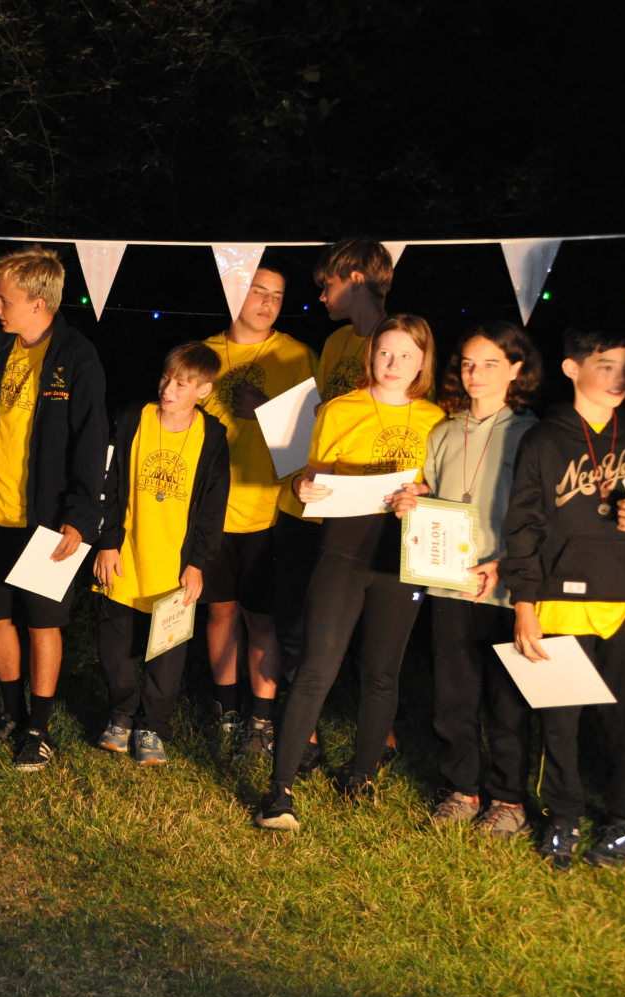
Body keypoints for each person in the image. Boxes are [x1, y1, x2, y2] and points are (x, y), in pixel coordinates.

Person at [256, 314, 446, 831]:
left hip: (400, 559)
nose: (393, 363)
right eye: (385, 352)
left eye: (406, 355)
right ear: (370, 355)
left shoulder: (437, 419)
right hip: (341, 554)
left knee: (382, 673)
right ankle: (280, 792)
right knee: (316, 667)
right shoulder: (340, 409)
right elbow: (312, 474)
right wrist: (303, 486)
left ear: (423, 362)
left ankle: (361, 777)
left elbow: (444, 487)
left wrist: (424, 493)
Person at [0, 245, 108, 771]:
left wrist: (80, 516)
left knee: (43, 623)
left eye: (5, 299)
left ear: (38, 304)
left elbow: (91, 440)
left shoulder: (76, 356)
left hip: (46, 517)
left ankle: (39, 730)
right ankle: (11, 713)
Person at [389, 323, 540, 832]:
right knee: (453, 696)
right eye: (469, 363)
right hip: (447, 581)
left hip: (505, 586)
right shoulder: (444, 431)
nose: (476, 374)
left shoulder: (532, 434)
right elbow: (429, 491)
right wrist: (412, 499)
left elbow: (541, 516)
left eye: (491, 364)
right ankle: (462, 790)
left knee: (506, 699)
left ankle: (509, 801)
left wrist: (506, 565)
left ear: (516, 369)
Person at [504, 325, 625, 871]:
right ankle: (562, 817)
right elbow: (523, 527)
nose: (619, 377)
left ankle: (624, 818)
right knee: (559, 723)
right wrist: (524, 602)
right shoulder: (542, 439)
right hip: (559, 600)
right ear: (572, 368)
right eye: (606, 365)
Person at [196, 260, 317, 756]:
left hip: (269, 509)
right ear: (235, 294)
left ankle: (262, 720)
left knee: (261, 618)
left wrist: (266, 410)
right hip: (210, 511)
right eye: (258, 291)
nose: (268, 303)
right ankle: (225, 710)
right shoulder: (203, 353)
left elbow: (315, 436)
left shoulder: (296, 356)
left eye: (277, 296)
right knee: (219, 611)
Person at [93, 344, 229, 765]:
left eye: (182, 384)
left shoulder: (212, 436)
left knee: (166, 658)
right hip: (126, 557)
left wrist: (198, 563)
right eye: (166, 379)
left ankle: (152, 726)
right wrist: (108, 542)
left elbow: (213, 506)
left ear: (203, 391)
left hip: (175, 566)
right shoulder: (132, 418)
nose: (168, 390)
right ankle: (121, 716)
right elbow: (110, 483)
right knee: (116, 650)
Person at [271, 239, 397, 689]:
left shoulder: (397, 345)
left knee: (358, 623)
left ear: (357, 279)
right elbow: (321, 418)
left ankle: (363, 714)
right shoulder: (335, 342)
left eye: (328, 284)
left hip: (364, 506)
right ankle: (302, 713)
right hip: (316, 496)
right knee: (294, 611)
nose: (322, 296)